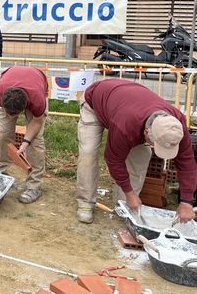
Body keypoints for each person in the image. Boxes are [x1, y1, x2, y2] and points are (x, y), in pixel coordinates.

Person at [76, 79, 197, 224]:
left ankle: (123, 207)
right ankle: (86, 203)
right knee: (88, 154)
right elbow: (114, 160)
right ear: (147, 132)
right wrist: (130, 192)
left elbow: (187, 163)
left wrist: (187, 201)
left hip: (124, 104)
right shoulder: (125, 125)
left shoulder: (176, 126)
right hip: (95, 102)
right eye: (156, 144)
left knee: (142, 155)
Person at [0, 66, 48, 204]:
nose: (10, 116)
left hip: (36, 83)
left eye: (13, 115)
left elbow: (37, 122)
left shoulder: (37, 100)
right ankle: (0, 173)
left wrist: (25, 143)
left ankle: (34, 186)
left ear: (23, 109)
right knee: (4, 135)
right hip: (9, 83)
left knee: (36, 141)